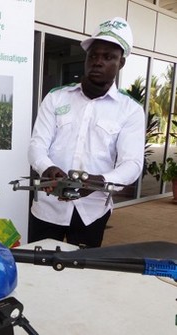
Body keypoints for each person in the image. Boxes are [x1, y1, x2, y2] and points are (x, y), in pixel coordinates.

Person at [28, 17, 145, 248]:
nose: (98, 62)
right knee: (38, 271)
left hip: (92, 212)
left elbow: (132, 164)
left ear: (121, 63)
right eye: (93, 55)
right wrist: (48, 168)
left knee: (81, 275)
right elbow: (37, 146)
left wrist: (98, 182)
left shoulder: (130, 110)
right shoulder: (56, 97)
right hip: (48, 207)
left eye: (108, 57)